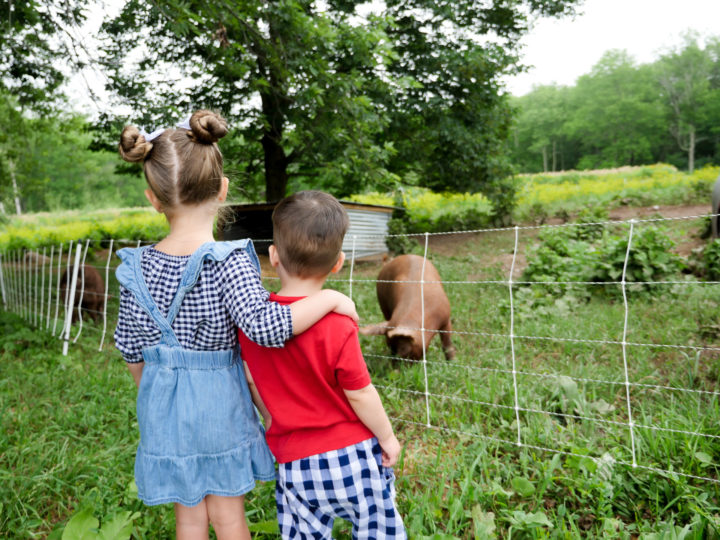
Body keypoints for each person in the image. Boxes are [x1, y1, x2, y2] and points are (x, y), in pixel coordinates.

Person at [113, 111, 358, 540]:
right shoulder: (230, 261)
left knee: (188, 518)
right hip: (218, 407)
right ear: (223, 190)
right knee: (228, 518)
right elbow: (265, 327)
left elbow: (131, 349)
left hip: (162, 407)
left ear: (153, 198)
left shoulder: (134, 267)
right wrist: (330, 298)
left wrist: (156, 393)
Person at [238, 190, 406, 539]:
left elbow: (252, 381)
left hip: (293, 461)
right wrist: (387, 437)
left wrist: (271, 418)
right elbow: (359, 393)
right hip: (352, 456)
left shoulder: (253, 322)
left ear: (273, 256)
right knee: (378, 529)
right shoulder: (337, 322)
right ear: (338, 263)